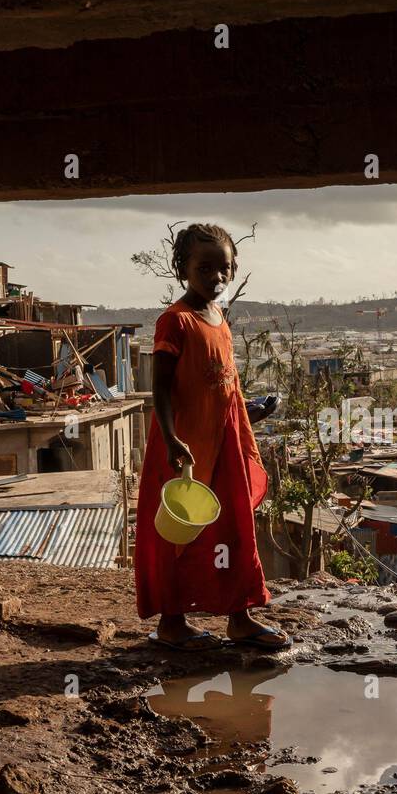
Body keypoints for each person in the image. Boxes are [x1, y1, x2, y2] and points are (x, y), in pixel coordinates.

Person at [133, 223, 290, 652]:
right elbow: (160, 390)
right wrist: (170, 438)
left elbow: (224, 385)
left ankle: (240, 617)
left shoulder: (219, 317)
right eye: (205, 268)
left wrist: (249, 414)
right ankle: (172, 622)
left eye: (224, 269)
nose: (216, 278)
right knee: (179, 537)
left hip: (224, 444)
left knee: (234, 528)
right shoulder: (175, 321)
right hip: (184, 449)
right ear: (183, 267)